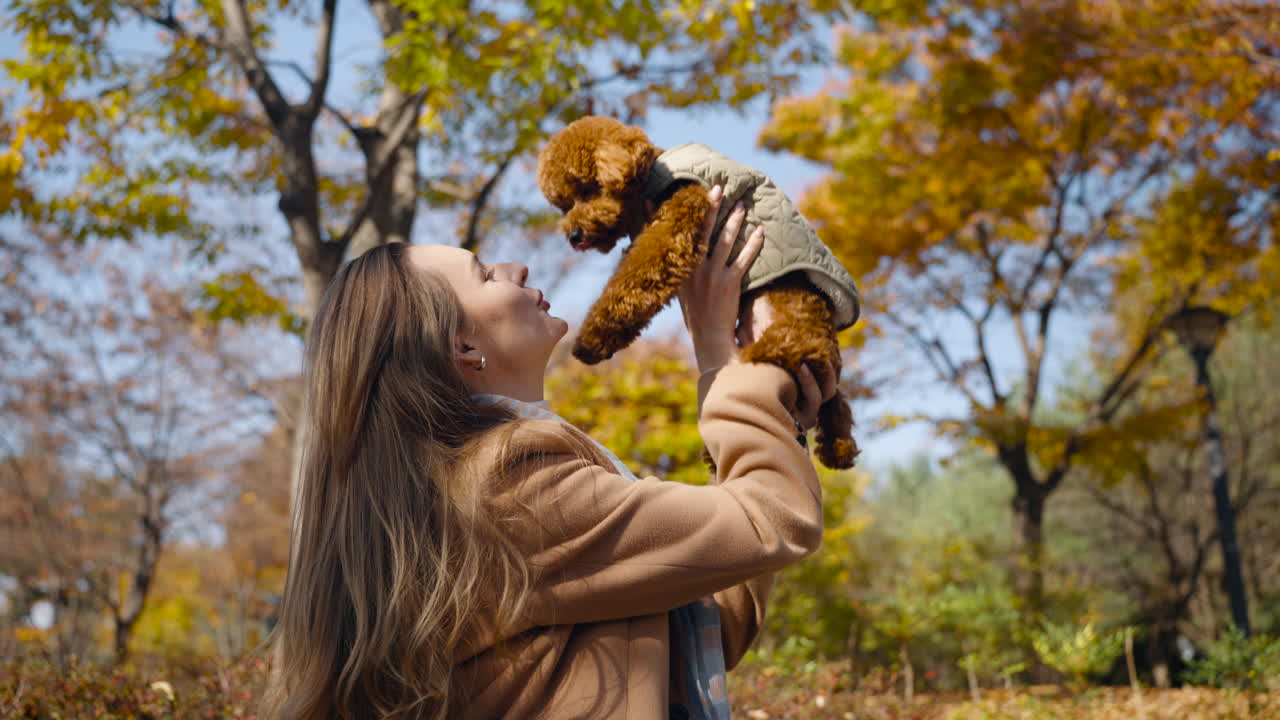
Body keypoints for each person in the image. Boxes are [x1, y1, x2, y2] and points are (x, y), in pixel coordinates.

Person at [263, 186, 836, 720]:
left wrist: (770, 420)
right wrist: (726, 363)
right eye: (485, 275)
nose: (517, 268)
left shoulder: (482, 485)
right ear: (461, 345)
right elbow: (775, 518)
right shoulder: (508, 486)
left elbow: (710, 617)